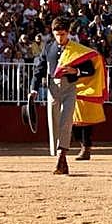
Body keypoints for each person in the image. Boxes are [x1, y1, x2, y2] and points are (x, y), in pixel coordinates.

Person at [30, 17, 96, 175]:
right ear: (52, 33)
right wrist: (33, 88)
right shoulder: (48, 48)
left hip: (69, 88)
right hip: (52, 88)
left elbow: (91, 70)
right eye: (57, 34)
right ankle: (59, 156)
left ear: (68, 33)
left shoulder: (76, 49)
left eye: (63, 34)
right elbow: (39, 69)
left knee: (66, 122)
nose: (60, 37)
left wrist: (77, 71)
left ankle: (62, 157)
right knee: (53, 122)